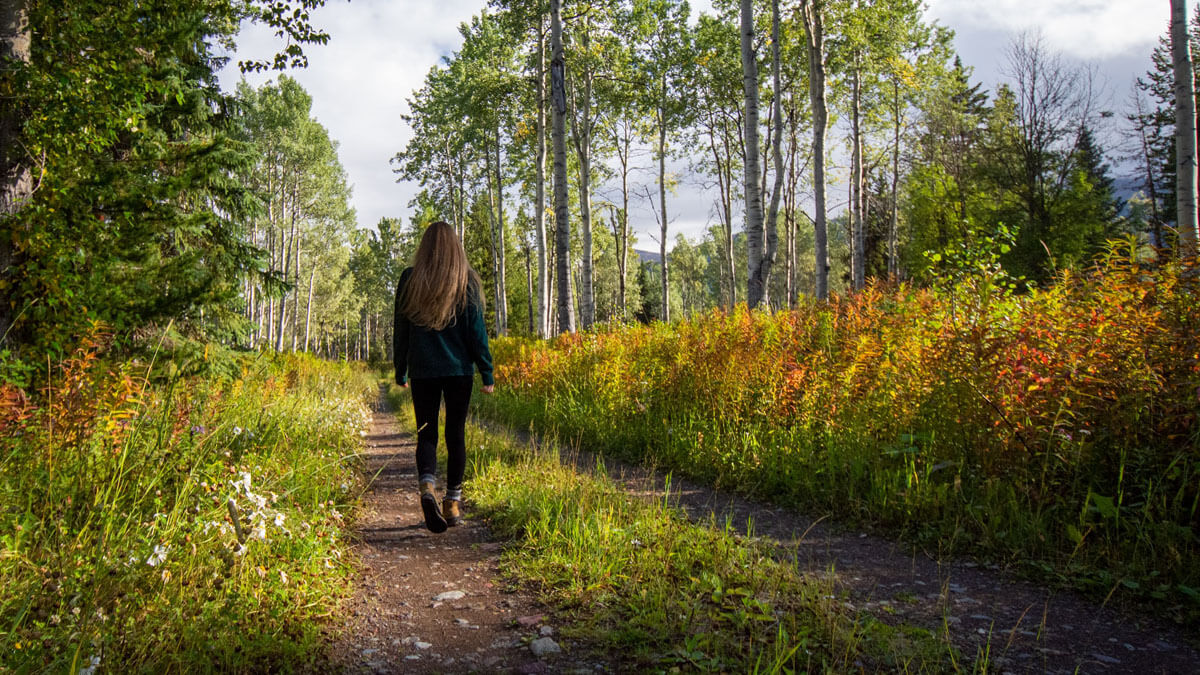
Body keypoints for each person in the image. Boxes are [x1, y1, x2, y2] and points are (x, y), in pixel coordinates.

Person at [393, 221, 494, 534]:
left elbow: (401, 330)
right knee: (455, 434)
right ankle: (452, 502)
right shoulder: (466, 281)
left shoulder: (410, 279)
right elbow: (477, 333)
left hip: (423, 370)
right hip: (458, 371)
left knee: (426, 433)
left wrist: (401, 368)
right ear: (456, 247)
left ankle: (426, 488)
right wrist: (486, 370)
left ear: (425, 247)